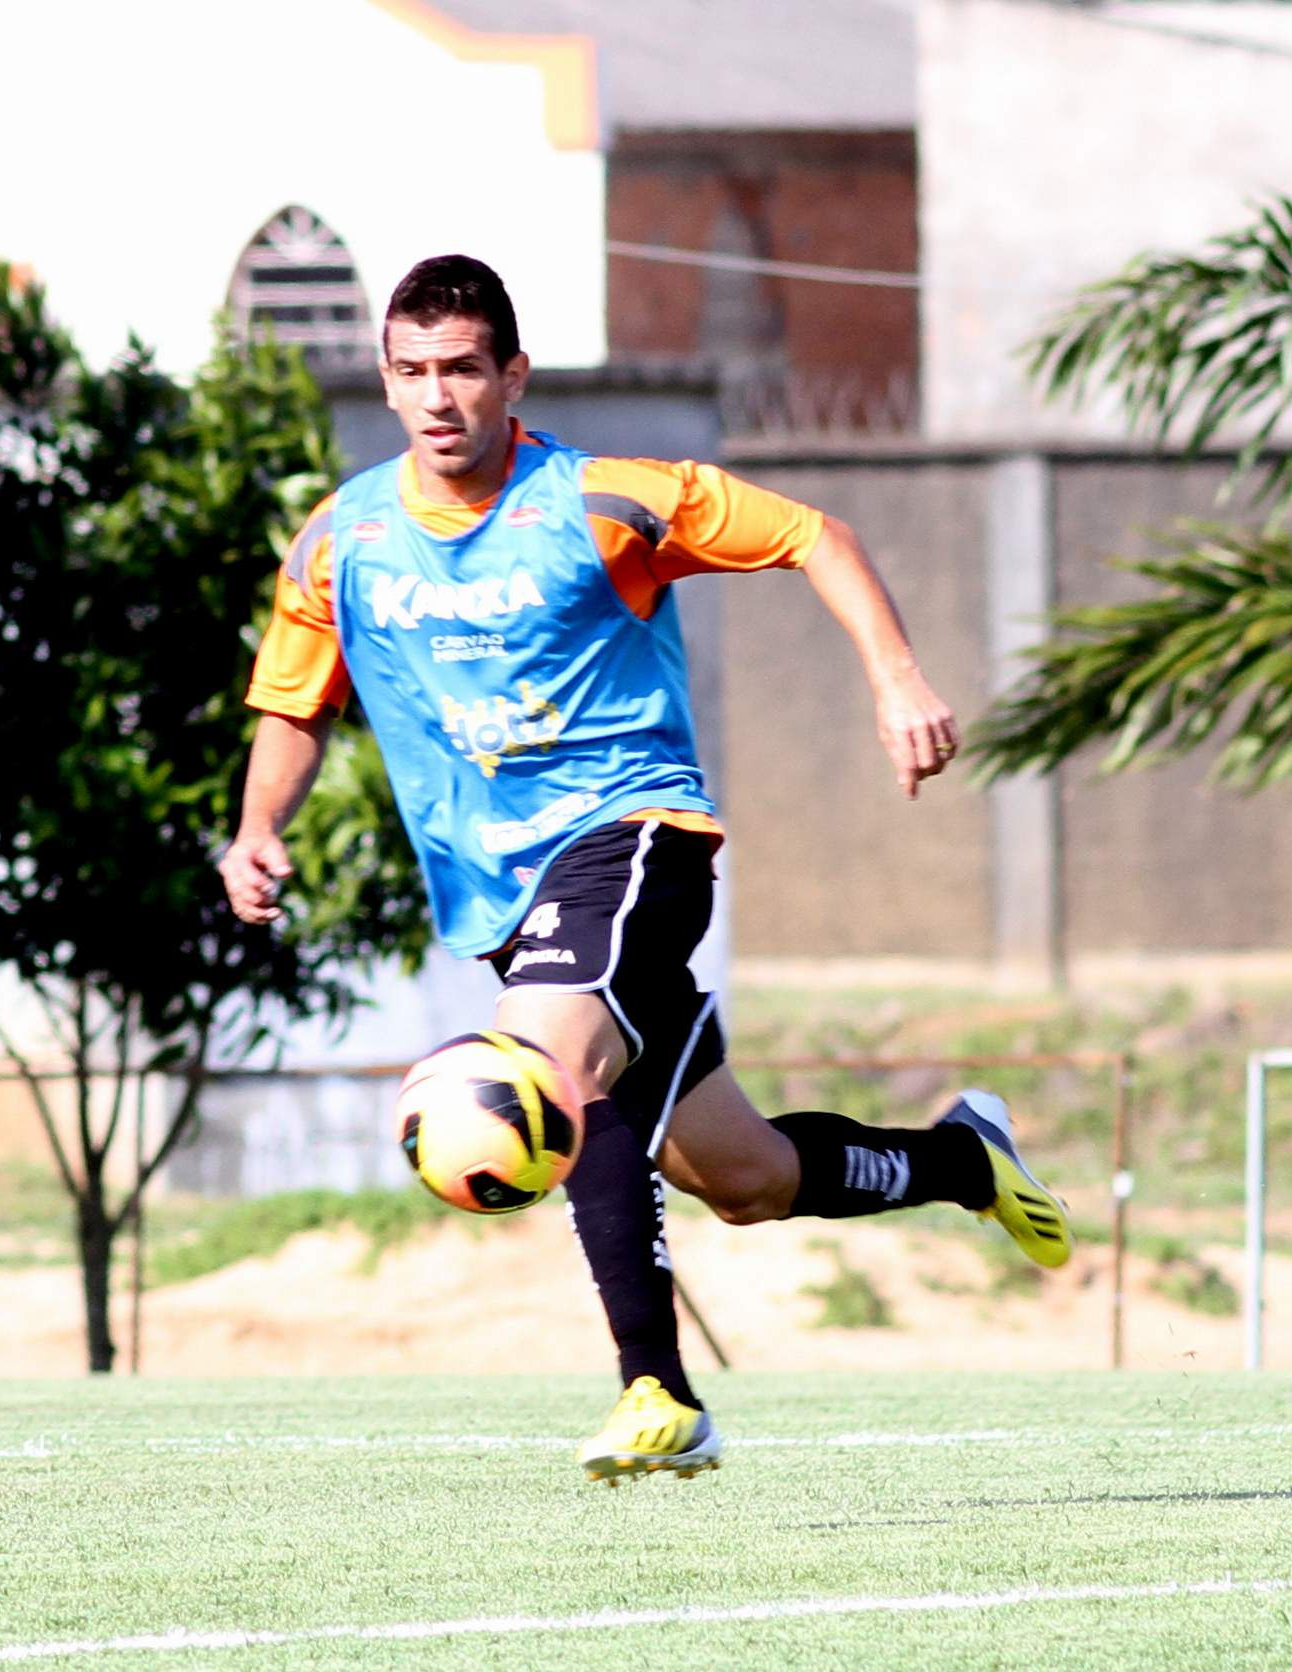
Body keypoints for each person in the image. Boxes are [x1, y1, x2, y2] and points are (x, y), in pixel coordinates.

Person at [220, 254, 1069, 1484]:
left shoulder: (603, 501)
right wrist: (258, 827)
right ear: (387, 381)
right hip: (503, 898)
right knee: (745, 1178)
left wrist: (896, 679)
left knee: (545, 1071)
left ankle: (658, 1390)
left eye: (463, 368)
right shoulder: (341, 539)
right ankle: (961, 1158)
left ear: (514, 376)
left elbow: (813, 535)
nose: (437, 396)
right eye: (412, 371)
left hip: (634, 838)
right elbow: (295, 702)